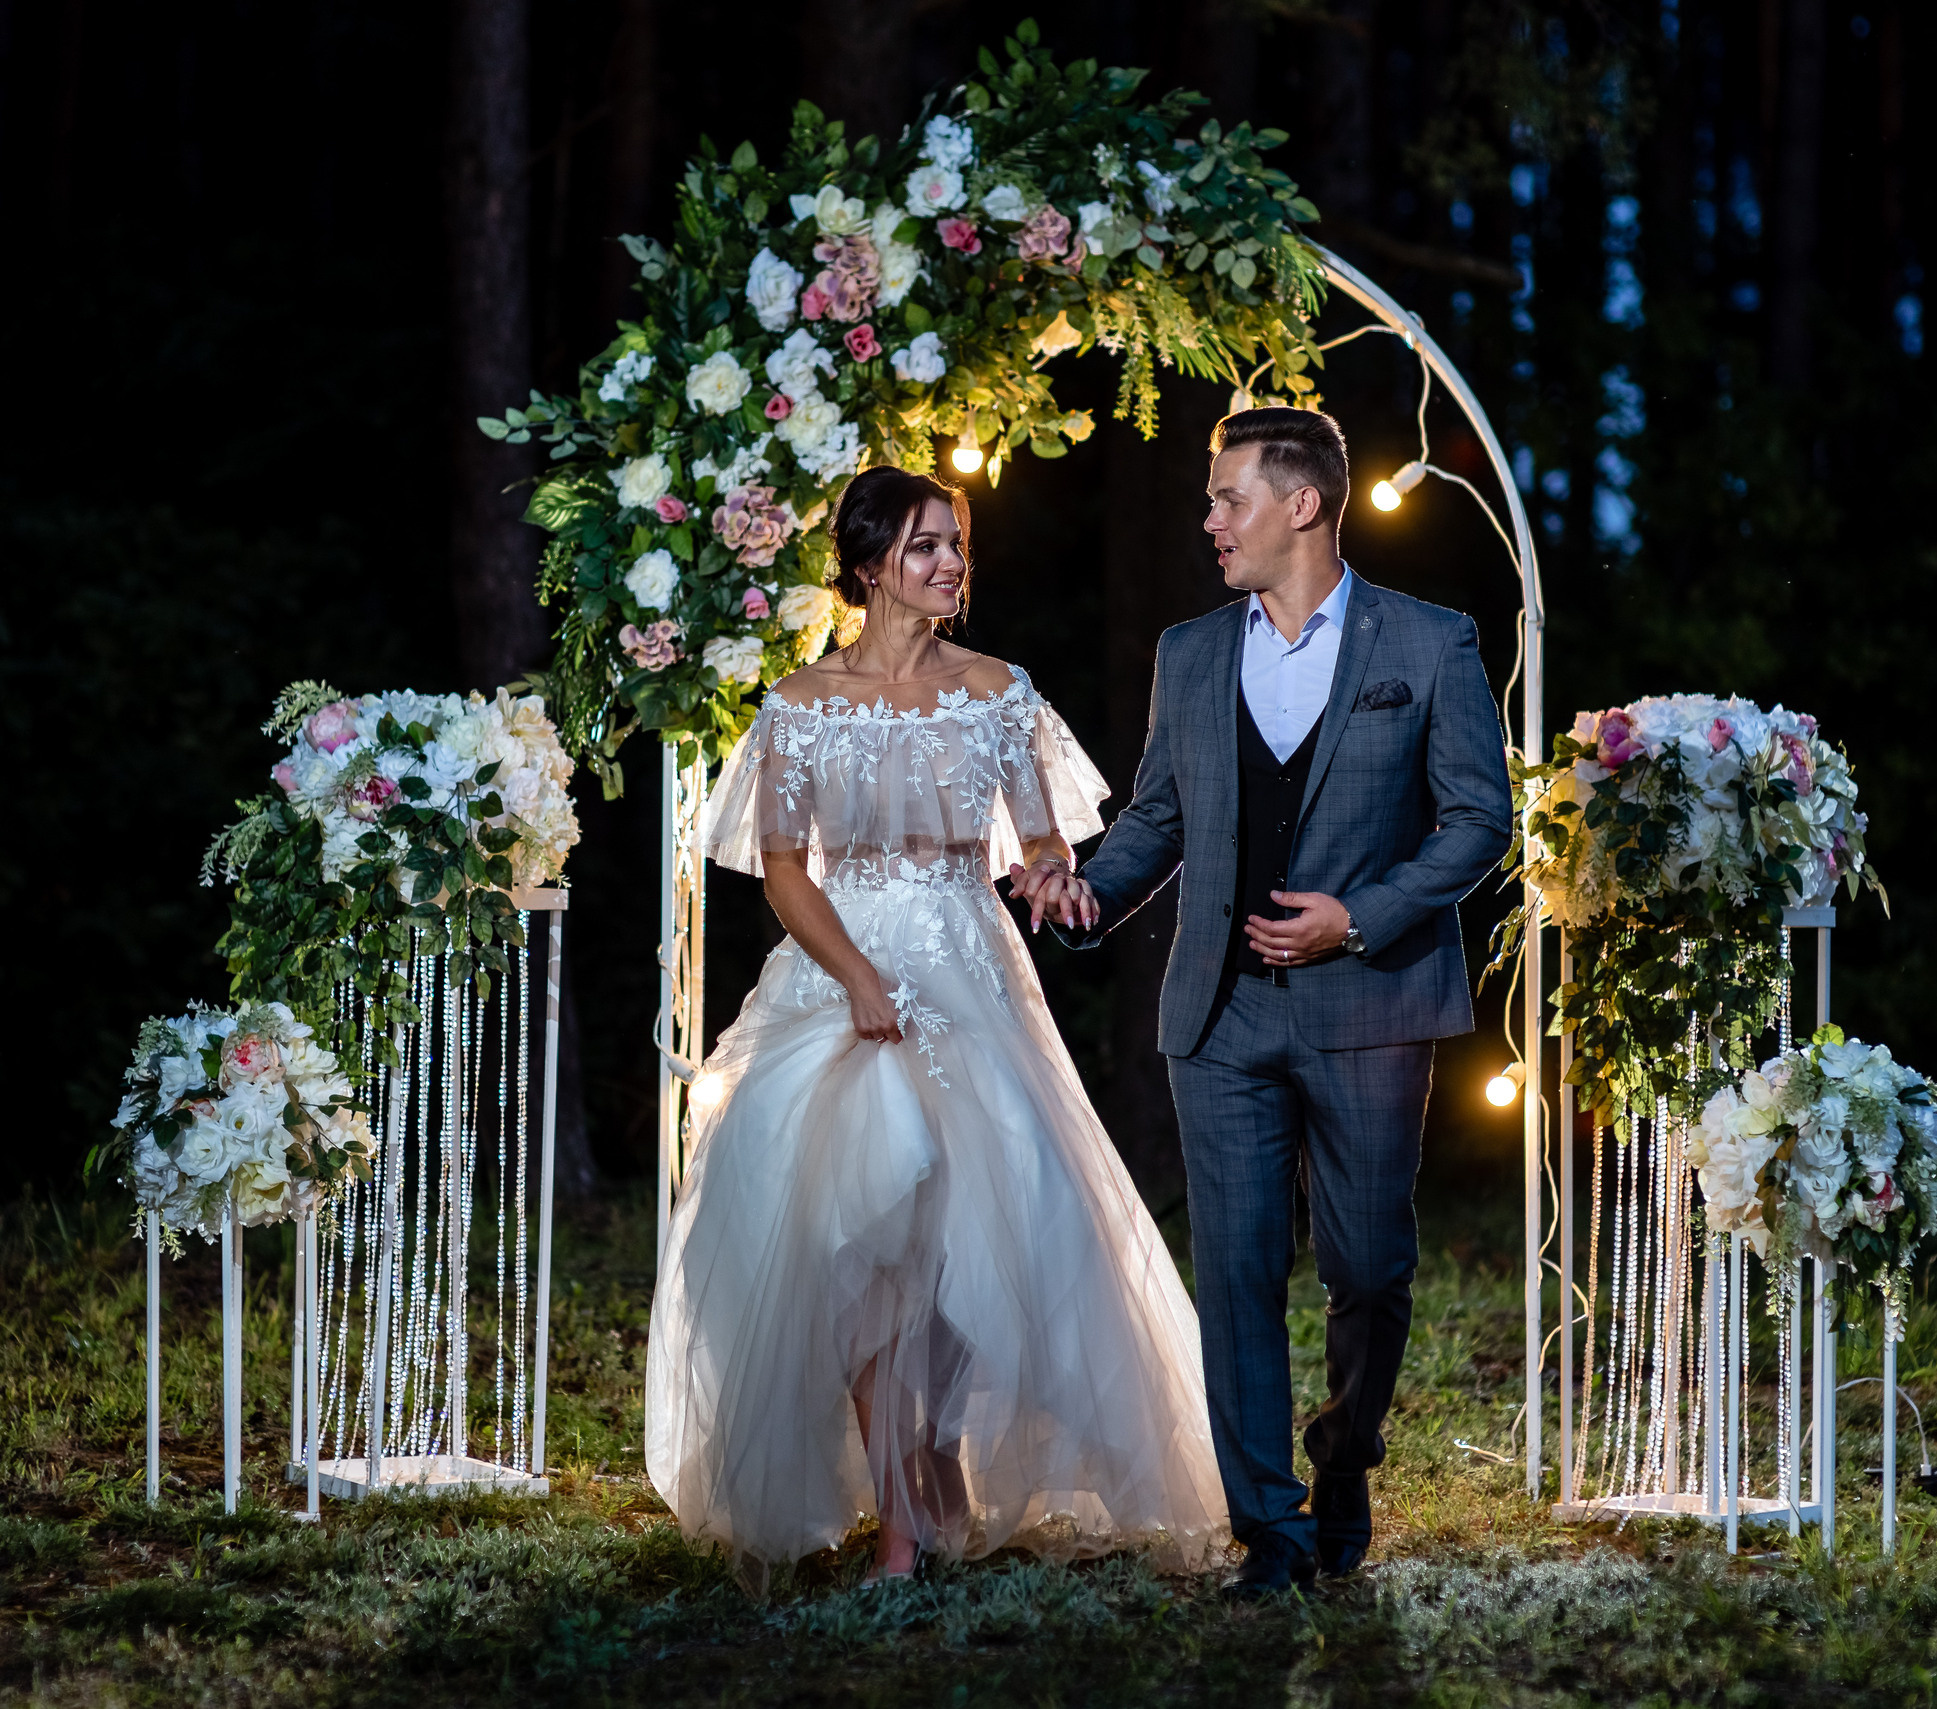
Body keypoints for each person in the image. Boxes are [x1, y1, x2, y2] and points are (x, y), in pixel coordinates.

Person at [645, 465, 1230, 1586]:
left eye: (954, 544)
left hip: (969, 964)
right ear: (868, 567)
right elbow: (778, 868)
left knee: (974, 1225)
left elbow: (1042, 837)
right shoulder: (799, 704)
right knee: (858, 1241)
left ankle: (938, 1460)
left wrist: (1055, 873)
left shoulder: (998, 689)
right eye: (922, 547)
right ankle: (904, 1515)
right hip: (842, 969)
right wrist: (859, 977)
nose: (950, 564)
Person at [1023, 407, 1513, 1598]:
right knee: (1235, 1267)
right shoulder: (1190, 651)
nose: (1208, 521)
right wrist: (1088, 887)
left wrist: (1361, 913)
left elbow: (1478, 822)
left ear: (1302, 503)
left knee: (1369, 1264)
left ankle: (1342, 1458)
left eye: (1226, 497)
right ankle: (1269, 1530)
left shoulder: (1429, 640)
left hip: (1371, 1002)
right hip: (1223, 1013)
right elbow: (1158, 817)